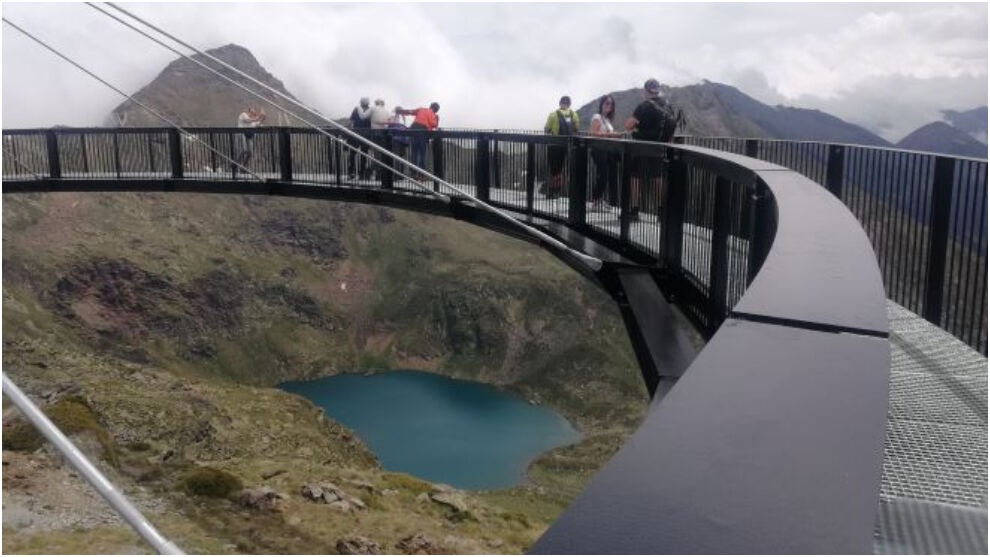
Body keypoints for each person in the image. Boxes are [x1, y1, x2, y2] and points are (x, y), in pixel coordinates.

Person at [624, 78, 680, 221]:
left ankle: (634, 211)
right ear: (657, 90)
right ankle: (662, 212)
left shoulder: (644, 106)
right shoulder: (668, 105)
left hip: (641, 147)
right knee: (658, 178)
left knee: (635, 177)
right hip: (660, 148)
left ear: (646, 90)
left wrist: (638, 126)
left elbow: (628, 126)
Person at [588, 94, 622, 209]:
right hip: (599, 151)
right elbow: (593, 133)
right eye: (607, 103)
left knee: (606, 176)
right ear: (602, 104)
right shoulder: (597, 117)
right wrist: (612, 134)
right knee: (602, 176)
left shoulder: (607, 119)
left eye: (611, 104)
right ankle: (596, 202)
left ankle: (600, 201)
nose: (609, 106)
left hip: (608, 151)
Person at [543, 95, 579, 198]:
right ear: (569, 104)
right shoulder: (573, 114)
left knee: (554, 168)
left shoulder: (553, 114)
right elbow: (576, 128)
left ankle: (552, 191)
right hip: (568, 146)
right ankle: (558, 191)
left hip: (554, 145)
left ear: (560, 103)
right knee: (562, 169)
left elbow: (546, 129)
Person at [397, 102, 440, 174]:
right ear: (436, 110)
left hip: (414, 129)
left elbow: (411, 112)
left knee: (414, 152)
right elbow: (434, 124)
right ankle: (421, 174)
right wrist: (437, 119)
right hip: (423, 132)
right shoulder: (432, 114)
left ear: (430, 106)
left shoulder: (421, 109)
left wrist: (401, 111)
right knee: (422, 154)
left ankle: (413, 172)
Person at [232, 106, 265, 178]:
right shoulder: (243, 115)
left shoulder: (253, 121)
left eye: (254, 112)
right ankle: (235, 164)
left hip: (248, 136)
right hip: (241, 133)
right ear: (248, 111)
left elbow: (258, 123)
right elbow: (248, 120)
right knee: (244, 150)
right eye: (252, 111)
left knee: (250, 153)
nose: (253, 113)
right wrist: (259, 116)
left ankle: (242, 168)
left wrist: (263, 117)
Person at [348, 97, 372, 180]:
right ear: (368, 103)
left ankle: (351, 172)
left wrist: (350, 133)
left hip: (355, 134)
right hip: (366, 135)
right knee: (363, 155)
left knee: (352, 154)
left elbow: (351, 122)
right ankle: (361, 173)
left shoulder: (356, 109)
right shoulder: (370, 110)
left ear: (360, 102)